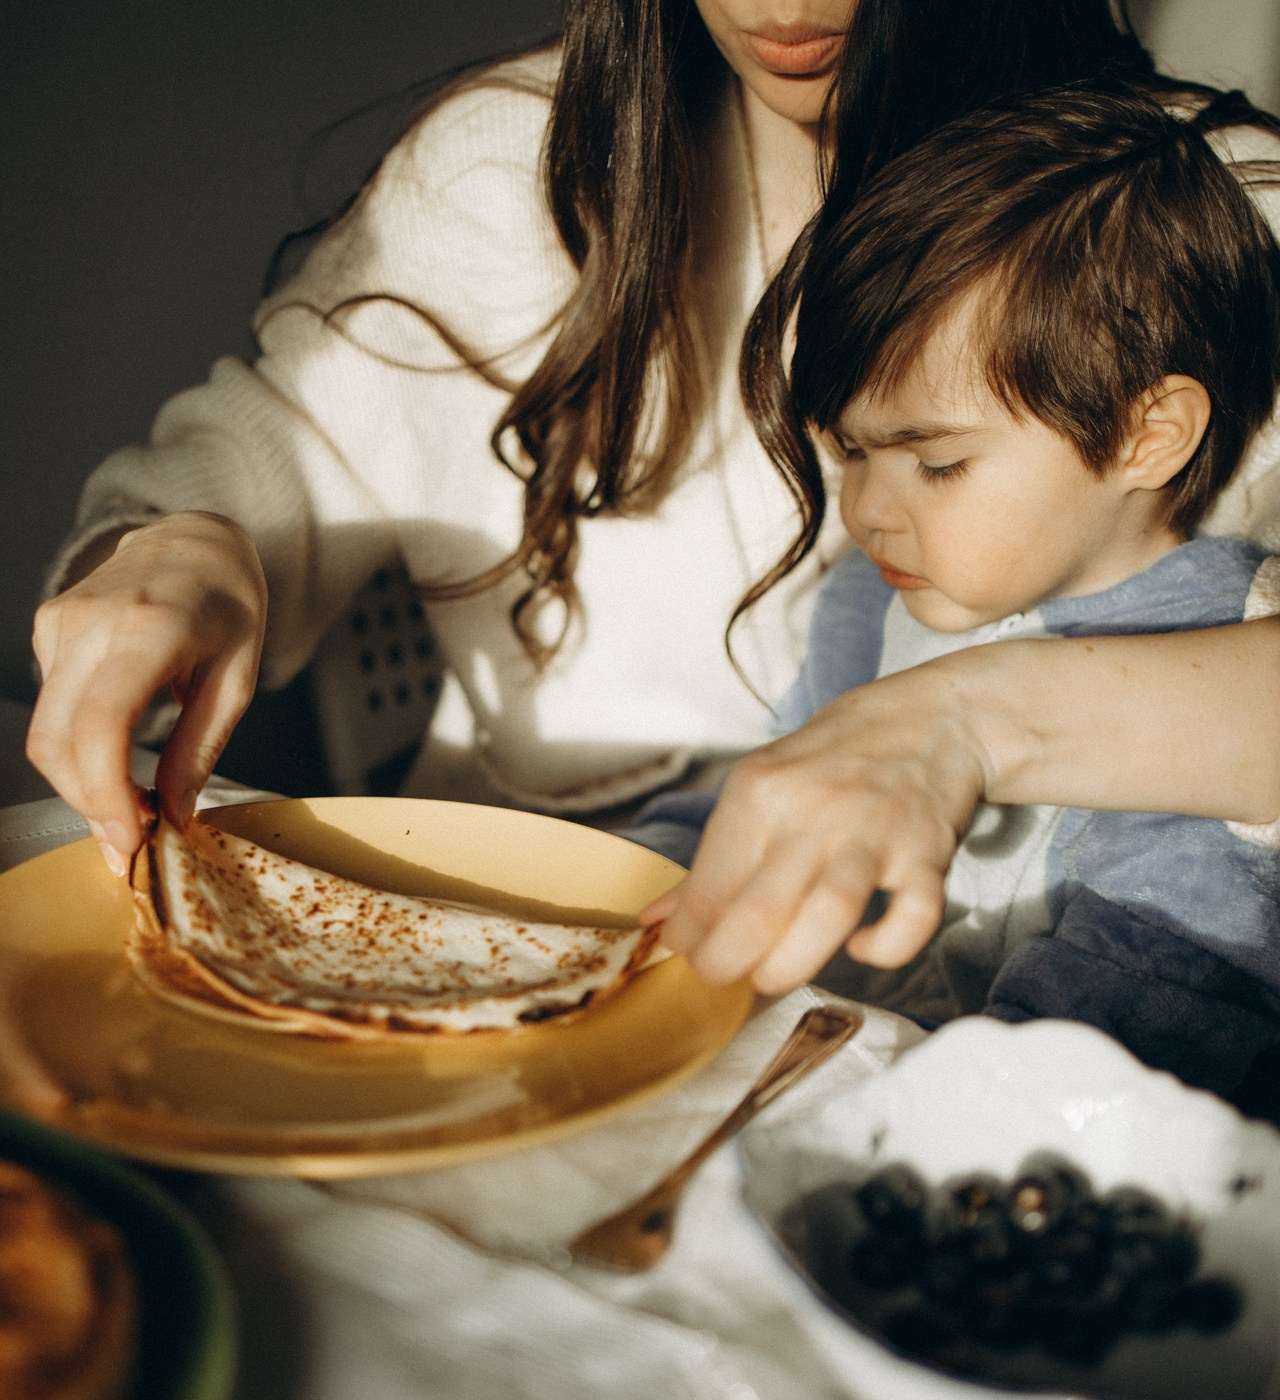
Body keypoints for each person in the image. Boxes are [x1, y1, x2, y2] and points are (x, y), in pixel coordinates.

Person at [23, 2, 1280, 910]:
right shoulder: (506, 165)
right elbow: (281, 457)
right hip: (515, 898)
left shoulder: (1205, 219)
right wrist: (182, 551)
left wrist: (958, 723)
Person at [645, 85, 1280, 1103]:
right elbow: (763, 799)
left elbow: (1130, 1021)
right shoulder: (870, 599)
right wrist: (632, 894)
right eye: (848, 450)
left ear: (1141, 435)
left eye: (934, 465)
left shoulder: (1208, 678)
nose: (865, 511)